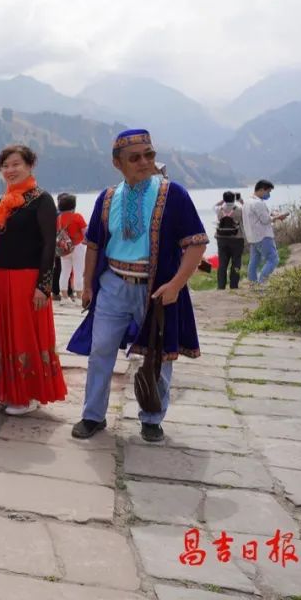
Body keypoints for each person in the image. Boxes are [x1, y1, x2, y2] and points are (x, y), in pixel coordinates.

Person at [68, 129, 207, 443]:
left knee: (158, 356)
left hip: (156, 289)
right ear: (118, 163)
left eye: (150, 154)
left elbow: (196, 244)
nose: (145, 162)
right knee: (100, 350)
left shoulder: (174, 195)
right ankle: (92, 416)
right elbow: (93, 244)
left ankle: (152, 418)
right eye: (135, 157)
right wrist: (88, 285)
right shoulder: (106, 198)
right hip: (114, 284)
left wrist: (175, 285)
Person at [0, 145, 67, 416]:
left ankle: (30, 393)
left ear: (29, 166)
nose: (10, 170)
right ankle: (11, 391)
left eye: (16, 164)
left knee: (26, 335)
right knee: (7, 335)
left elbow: (50, 245)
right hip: (2, 278)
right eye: (6, 166)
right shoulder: (5, 201)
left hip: (28, 279)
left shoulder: (42, 199)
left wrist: (43, 286)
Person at [243, 179, 287, 285]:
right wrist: (279, 216)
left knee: (254, 261)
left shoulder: (247, 202)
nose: (269, 194)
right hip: (263, 236)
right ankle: (262, 282)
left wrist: (272, 214)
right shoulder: (258, 203)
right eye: (268, 192)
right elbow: (265, 220)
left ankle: (253, 284)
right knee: (273, 259)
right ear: (262, 190)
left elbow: (258, 217)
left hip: (252, 236)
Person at [56, 193, 87, 302]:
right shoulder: (77, 217)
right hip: (77, 247)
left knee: (65, 272)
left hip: (64, 248)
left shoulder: (58, 218)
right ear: (73, 206)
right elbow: (85, 232)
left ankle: (64, 297)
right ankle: (79, 297)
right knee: (79, 271)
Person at [213, 190, 245, 290]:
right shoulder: (240, 209)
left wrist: (223, 201)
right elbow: (247, 210)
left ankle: (221, 286)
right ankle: (234, 285)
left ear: (224, 199)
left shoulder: (219, 209)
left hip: (221, 239)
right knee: (236, 262)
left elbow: (214, 206)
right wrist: (240, 200)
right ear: (234, 198)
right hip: (236, 238)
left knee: (222, 264)